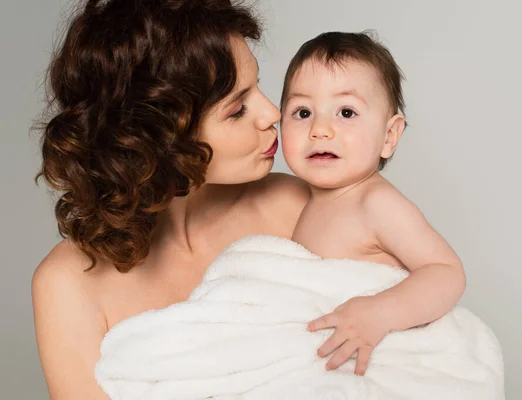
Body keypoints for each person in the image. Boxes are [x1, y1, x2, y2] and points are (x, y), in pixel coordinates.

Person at [31, 0, 308, 398]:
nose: (272, 113)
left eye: (258, 87)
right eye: (237, 109)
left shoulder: (294, 205)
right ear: (161, 134)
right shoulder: (68, 284)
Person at [278, 31, 466, 376]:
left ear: (389, 136)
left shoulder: (376, 203)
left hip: (378, 366)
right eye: (302, 112)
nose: (320, 129)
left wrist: (379, 313)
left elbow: (446, 273)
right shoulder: (299, 202)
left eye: (346, 112)